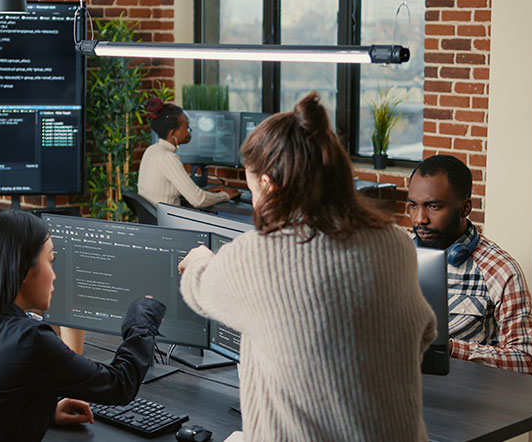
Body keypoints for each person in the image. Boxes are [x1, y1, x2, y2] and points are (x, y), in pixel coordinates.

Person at [178, 91, 436, 441]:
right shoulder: (394, 242)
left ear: (268, 185)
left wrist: (198, 260)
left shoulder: (260, 253)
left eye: (254, 188)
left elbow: (199, 288)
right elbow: (424, 333)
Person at [0, 210, 166, 442]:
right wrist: (142, 318)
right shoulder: (26, 340)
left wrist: (44, 412)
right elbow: (119, 385)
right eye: (51, 260)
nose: (55, 274)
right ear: (22, 269)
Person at [407, 155, 532, 375]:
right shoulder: (396, 256)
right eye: (413, 205)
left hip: (465, 402)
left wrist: (448, 349)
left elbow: (528, 361)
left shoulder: (501, 270)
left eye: (433, 206)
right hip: (398, 390)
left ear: (465, 208)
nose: (419, 219)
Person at [137, 98, 239, 208]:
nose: (189, 131)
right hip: (168, 223)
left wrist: (207, 193)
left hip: (155, 221)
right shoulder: (168, 158)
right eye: (186, 128)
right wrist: (225, 195)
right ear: (173, 133)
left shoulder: (151, 150)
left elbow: (165, 190)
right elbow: (198, 200)